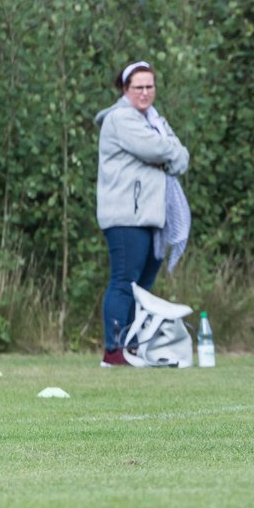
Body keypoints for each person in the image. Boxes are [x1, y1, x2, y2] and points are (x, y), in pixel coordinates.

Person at [95, 61, 191, 367]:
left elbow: (180, 158)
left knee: (142, 287)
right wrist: (169, 149)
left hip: (152, 216)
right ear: (126, 89)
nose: (145, 93)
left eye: (150, 86)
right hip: (125, 216)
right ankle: (113, 350)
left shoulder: (153, 119)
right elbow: (157, 150)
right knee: (124, 281)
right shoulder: (120, 118)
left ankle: (132, 347)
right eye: (139, 87)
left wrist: (169, 150)